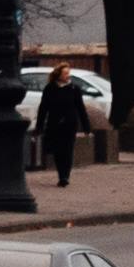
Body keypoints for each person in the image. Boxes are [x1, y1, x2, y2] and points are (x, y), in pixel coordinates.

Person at [34, 59, 88, 189]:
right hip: (55, 124)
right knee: (58, 151)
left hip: (70, 124)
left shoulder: (74, 88)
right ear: (58, 75)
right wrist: (39, 127)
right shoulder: (50, 89)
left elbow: (81, 108)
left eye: (68, 73)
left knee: (68, 150)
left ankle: (65, 176)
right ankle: (61, 174)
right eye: (65, 73)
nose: (68, 76)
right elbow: (43, 108)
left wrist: (86, 126)